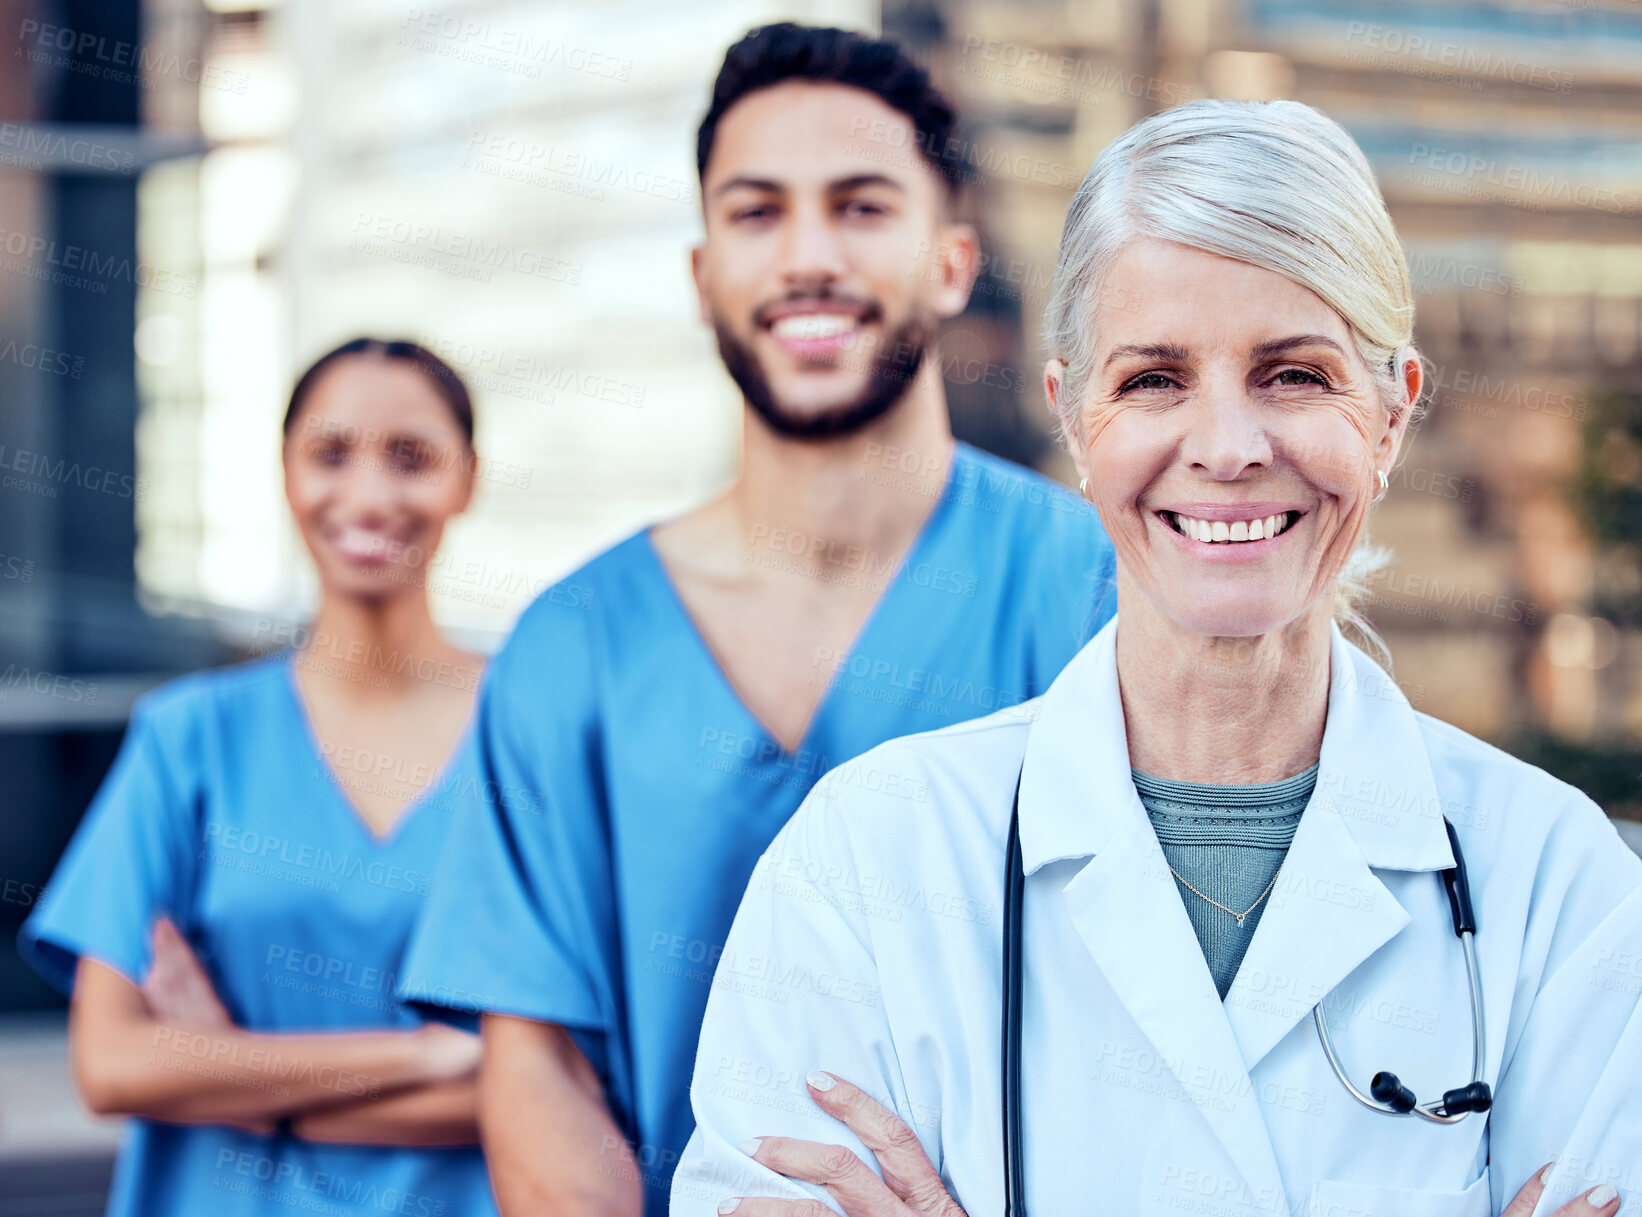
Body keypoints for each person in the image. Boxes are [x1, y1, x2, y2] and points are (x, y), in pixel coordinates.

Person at [671, 100, 1642, 1217]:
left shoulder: (1562, 887)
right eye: (1152, 379)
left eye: (1294, 374)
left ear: (1389, 414)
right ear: (1073, 419)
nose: (1227, 447)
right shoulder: (864, 864)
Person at [395, 23, 1119, 1217]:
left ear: (949, 261)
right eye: (756, 211)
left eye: (860, 205)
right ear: (701, 275)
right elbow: (539, 1064)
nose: (808, 255)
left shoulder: (1095, 594)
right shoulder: (575, 645)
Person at [20, 338, 502, 1217]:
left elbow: (559, 1091)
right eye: (330, 454)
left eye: (411, 457)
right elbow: (114, 1064)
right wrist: (424, 1054)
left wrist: (229, 1070)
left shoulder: (532, 738)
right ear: (284, 473)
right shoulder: (190, 737)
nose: (367, 494)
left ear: (468, 478)